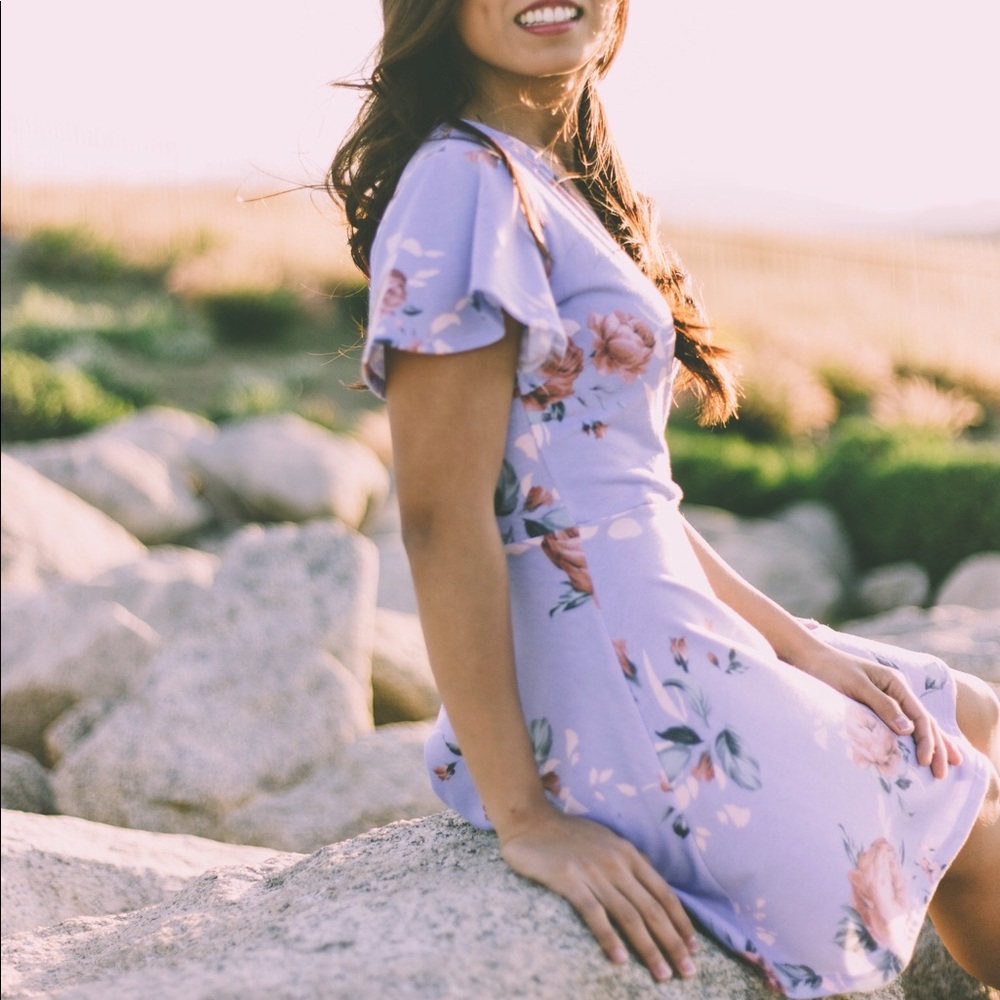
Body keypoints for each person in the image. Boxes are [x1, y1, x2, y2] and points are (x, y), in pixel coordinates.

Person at [329, 1, 1000, 995]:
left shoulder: (549, 180)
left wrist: (802, 646)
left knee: (969, 717)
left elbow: (625, 495)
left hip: (659, 630)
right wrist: (527, 818)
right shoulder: (460, 185)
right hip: (607, 687)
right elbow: (438, 514)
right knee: (964, 798)